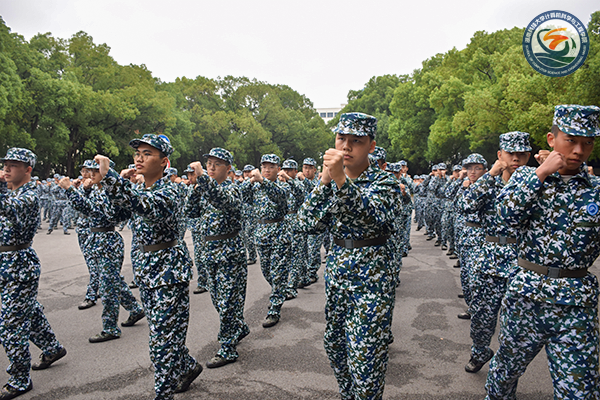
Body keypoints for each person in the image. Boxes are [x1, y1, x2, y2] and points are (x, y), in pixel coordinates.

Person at [486, 105, 600, 399]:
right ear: (552, 139)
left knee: (581, 390)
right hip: (527, 298)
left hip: (576, 305)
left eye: (587, 143)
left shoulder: (596, 190)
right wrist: (540, 173)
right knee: (504, 375)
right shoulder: (526, 179)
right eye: (570, 141)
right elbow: (504, 218)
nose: (578, 150)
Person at [298, 112, 401, 400]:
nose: (346, 147)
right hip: (338, 280)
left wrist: (341, 180)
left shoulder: (385, 182)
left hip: (372, 284)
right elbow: (305, 223)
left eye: (356, 141)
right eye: (341, 139)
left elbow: (373, 218)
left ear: (371, 146)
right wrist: (324, 183)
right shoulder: (330, 182)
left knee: (366, 361)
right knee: (336, 347)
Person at [94, 134, 201, 399]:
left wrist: (113, 178)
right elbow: (115, 215)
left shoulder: (171, 191)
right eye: (137, 153)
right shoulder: (140, 190)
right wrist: (113, 186)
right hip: (147, 271)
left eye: (147, 154)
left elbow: (147, 207)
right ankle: (187, 366)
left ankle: (163, 394)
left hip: (168, 273)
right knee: (162, 333)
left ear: (164, 162)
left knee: (161, 342)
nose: (139, 158)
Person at [461, 132, 531, 374]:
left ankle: (506, 368)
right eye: (510, 153)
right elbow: (466, 205)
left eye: (521, 154)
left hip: (522, 262)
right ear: (500, 155)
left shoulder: (534, 186)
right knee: (482, 316)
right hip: (490, 259)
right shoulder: (489, 185)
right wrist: (489, 175)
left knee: (516, 323)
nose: (516, 159)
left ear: (528, 156)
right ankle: (480, 351)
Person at [0, 148, 67, 400]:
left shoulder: (29, 195)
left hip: (18, 264)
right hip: (5, 262)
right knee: (29, 312)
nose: (7, 169)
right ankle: (52, 347)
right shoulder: (13, 192)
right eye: (5, 164)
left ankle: (20, 379)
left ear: (28, 169)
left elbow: (8, 208)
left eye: (13, 165)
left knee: (11, 325)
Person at [61, 160, 145, 343]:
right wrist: (82, 191)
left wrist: (70, 190)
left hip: (107, 241)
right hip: (97, 239)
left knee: (108, 287)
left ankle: (110, 328)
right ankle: (135, 309)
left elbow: (94, 211)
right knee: (111, 280)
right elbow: (84, 209)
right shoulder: (97, 189)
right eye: (89, 171)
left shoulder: (108, 191)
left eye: (95, 171)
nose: (91, 174)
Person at [185, 148, 249, 368]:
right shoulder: (204, 189)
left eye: (217, 164)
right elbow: (190, 211)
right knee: (217, 301)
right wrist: (196, 189)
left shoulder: (233, 189)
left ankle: (227, 348)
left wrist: (203, 179)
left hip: (229, 253)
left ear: (228, 169)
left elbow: (221, 200)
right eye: (209, 164)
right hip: (209, 253)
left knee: (228, 302)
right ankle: (238, 327)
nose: (211, 168)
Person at [240, 154, 290, 328]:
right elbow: (242, 196)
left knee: (278, 273)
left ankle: (274, 309)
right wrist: (250, 180)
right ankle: (280, 291)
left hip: (279, 233)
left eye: (271, 166)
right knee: (267, 271)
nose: (267, 170)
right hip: (261, 233)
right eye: (264, 166)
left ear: (278, 169)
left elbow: (279, 197)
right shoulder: (256, 187)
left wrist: (262, 181)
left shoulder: (283, 186)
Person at [455, 154, 488, 320]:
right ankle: (471, 307)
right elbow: (457, 205)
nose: (472, 172)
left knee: (476, 279)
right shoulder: (465, 186)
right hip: (466, 236)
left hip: (481, 238)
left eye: (477, 168)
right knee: (466, 276)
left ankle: (478, 311)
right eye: (469, 168)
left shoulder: (488, 188)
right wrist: (462, 185)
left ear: (485, 171)